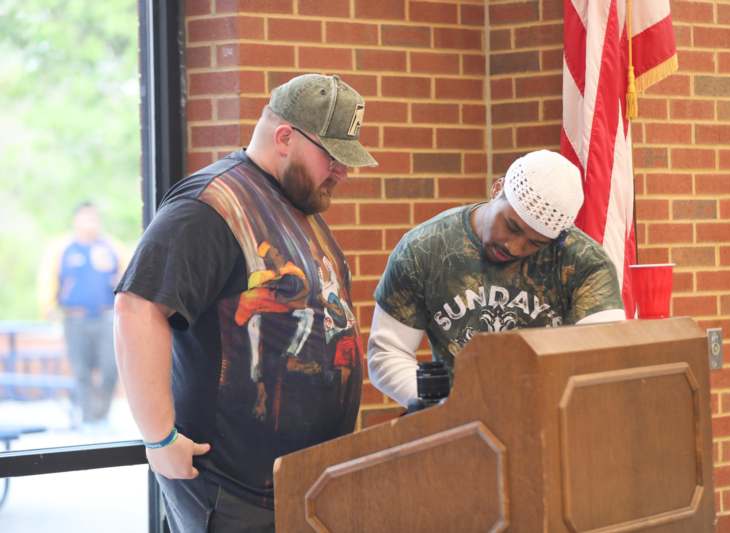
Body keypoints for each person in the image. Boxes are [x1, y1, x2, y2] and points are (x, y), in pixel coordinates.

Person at [113, 73, 376, 532]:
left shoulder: (298, 207)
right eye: (332, 157)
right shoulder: (210, 204)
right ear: (284, 138)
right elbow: (138, 307)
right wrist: (159, 439)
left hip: (296, 488)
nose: (343, 172)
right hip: (230, 490)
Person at [367, 150, 626, 407]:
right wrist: (443, 404)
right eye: (511, 226)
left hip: (552, 418)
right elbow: (388, 353)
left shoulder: (585, 263)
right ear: (497, 188)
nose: (514, 247)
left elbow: (603, 361)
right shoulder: (425, 248)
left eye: (535, 243)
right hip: (458, 422)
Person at [37, 201, 124, 426]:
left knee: (109, 368)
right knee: (81, 371)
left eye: (94, 217)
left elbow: (126, 277)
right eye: (86, 217)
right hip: (74, 318)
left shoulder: (111, 248)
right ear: (76, 220)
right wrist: (49, 310)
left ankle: (101, 415)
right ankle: (87, 419)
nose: (90, 223)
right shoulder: (62, 248)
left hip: (107, 316)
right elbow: (48, 280)